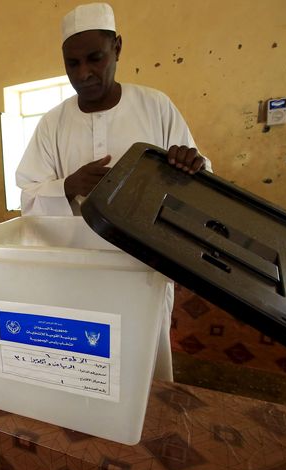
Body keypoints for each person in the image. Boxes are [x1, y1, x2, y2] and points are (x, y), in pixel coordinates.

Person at [16, 2, 212, 380]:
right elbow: (28, 196)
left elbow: (199, 184)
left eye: (95, 58)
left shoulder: (156, 106)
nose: (84, 73)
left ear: (117, 48)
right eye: (72, 63)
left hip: (143, 267)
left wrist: (191, 165)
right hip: (77, 272)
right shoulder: (52, 124)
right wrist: (67, 187)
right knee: (85, 368)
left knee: (144, 366)